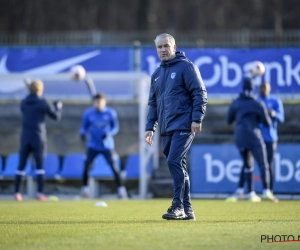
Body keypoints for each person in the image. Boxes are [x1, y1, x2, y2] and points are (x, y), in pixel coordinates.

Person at [145, 33, 207, 220]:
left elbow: (200, 92)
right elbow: (153, 104)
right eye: (159, 47)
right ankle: (188, 211)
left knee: (172, 161)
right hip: (166, 128)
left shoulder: (186, 67)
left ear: (174, 47)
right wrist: (150, 127)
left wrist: (197, 118)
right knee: (178, 164)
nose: (163, 50)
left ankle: (178, 206)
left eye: (166, 46)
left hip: (184, 124)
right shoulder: (156, 74)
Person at [226, 77, 277, 202]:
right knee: (263, 164)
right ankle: (266, 191)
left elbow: (228, 121)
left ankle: (250, 193)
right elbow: (267, 123)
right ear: (253, 87)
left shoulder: (236, 102)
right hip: (255, 137)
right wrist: (266, 115)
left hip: (240, 137)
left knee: (248, 165)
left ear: (243, 87)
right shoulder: (258, 103)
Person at [15, 79, 63, 201]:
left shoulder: (24, 102)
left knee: (21, 166)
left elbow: (24, 109)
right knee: (40, 167)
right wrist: (58, 106)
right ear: (40, 89)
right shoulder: (43, 102)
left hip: (25, 137)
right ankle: (40, 193)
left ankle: (17, 193)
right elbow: (56, 116)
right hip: (38, 138)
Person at [80, 93, 128, 199]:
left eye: (99, 102)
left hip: (106, 145)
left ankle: (121, 191)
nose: (97, 104)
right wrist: (82, 133)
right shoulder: (88, 113)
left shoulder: (110, 113)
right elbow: (83, 127)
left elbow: (115, 127)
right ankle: (85, 190)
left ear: (104, 102)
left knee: (113, 166)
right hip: (92, 145)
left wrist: (109, 134)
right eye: (95, 102)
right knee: (87, 165)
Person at [258, 81, 284, 199]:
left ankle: (269, 191)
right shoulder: (256, 101)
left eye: (265, 87)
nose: (263, 89)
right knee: (249, 164)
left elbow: (281, 118)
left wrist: (273, 113)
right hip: (257, 138)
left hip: (270, 138)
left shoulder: (275, 101)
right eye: (261, 87)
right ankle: (249, 192)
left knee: (268, 165)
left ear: (269, 88)